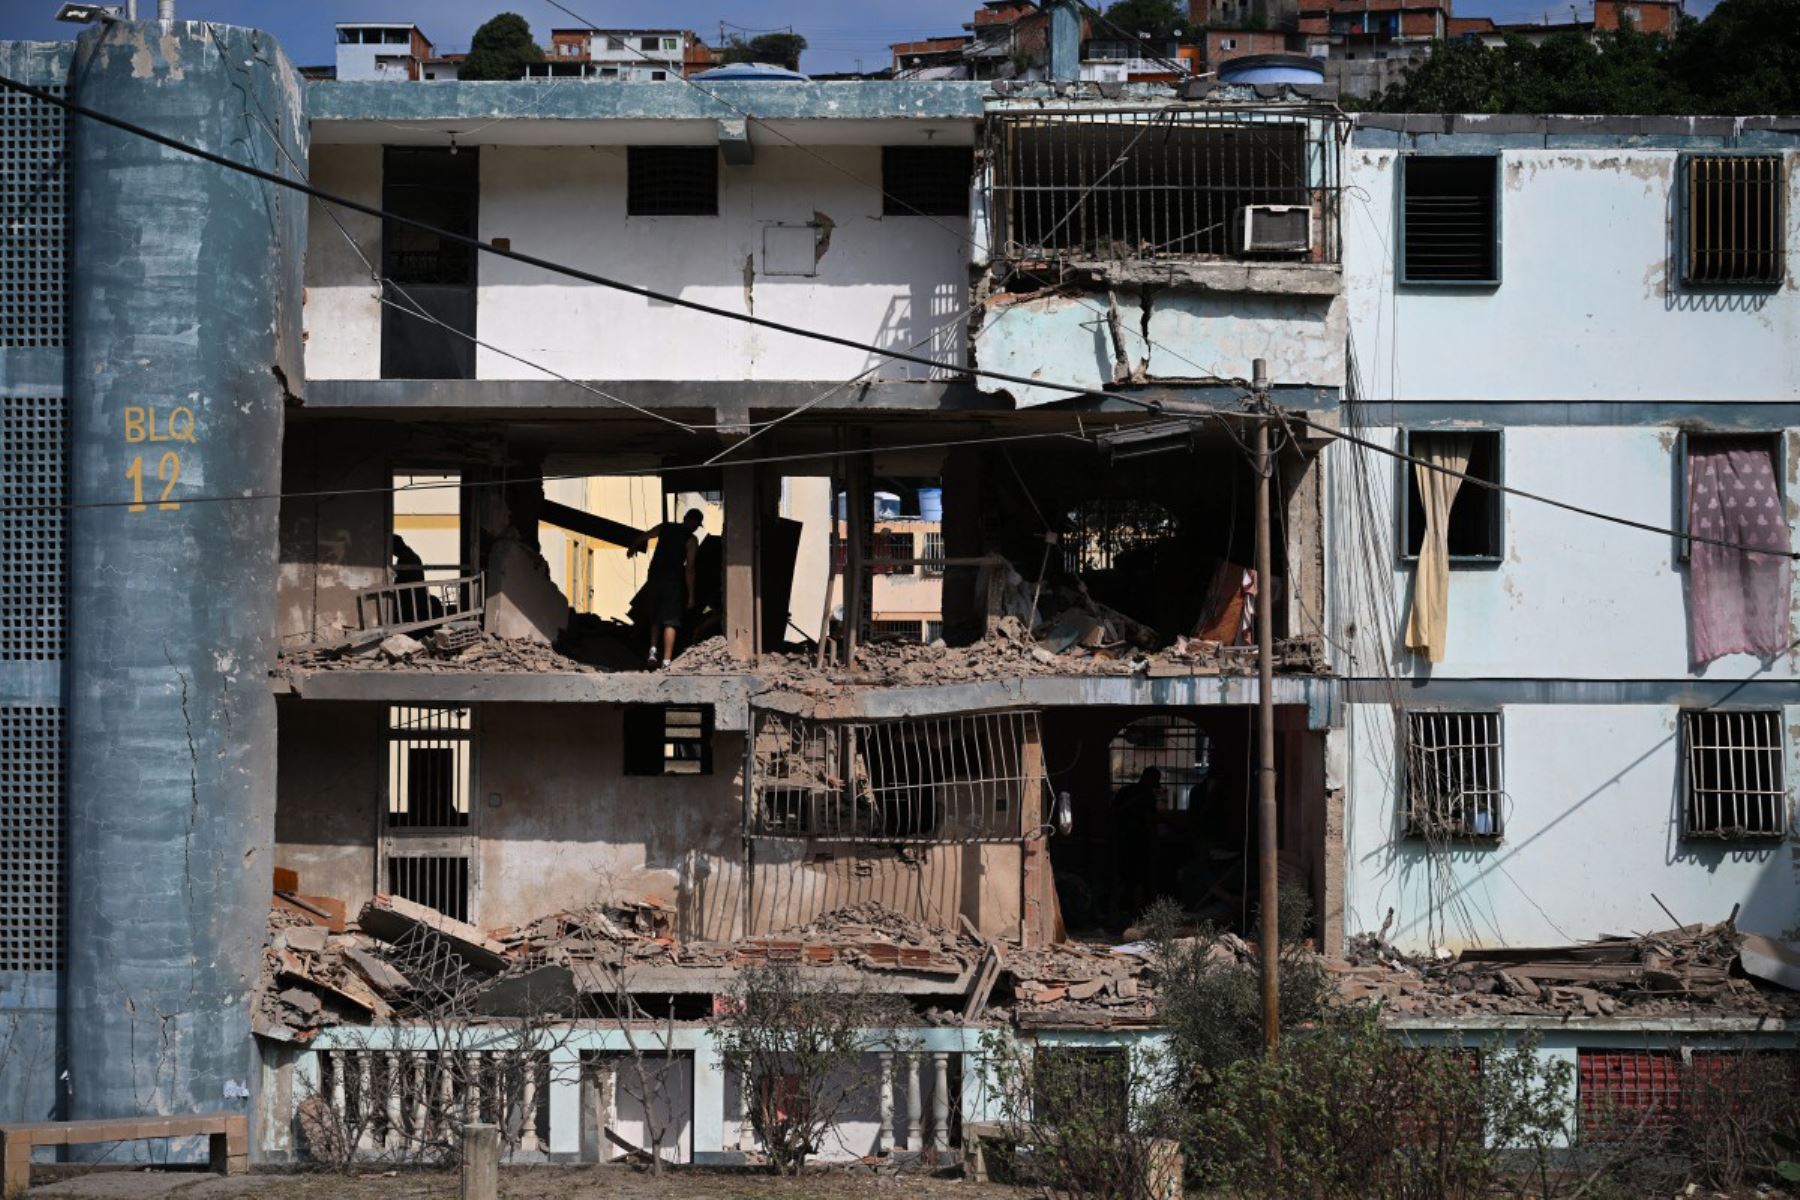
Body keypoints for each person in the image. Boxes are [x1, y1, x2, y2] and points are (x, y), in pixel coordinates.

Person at [628, 509, 703, 668]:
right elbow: (690, 568)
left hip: (655, 578)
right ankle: (667, 661)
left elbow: (645, 535)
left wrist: (633, 547)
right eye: (697, 525)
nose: (696, 528)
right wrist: (691, 595)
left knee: (655, 617)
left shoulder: (665, 527)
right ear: (694, 523)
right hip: (673, 582)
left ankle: (653, 651)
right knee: (671, 621)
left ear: (684, 518)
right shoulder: (691, 540)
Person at [1111, 767, 1161, 924]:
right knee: (1139, 879)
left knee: (1125, 878)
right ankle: (1136, 914)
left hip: (1122, 842)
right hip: (1139, 843)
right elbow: (1150, 822)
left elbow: (1113, 813)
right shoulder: (1146, 796)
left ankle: (1123, 912)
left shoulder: (1126, 791)